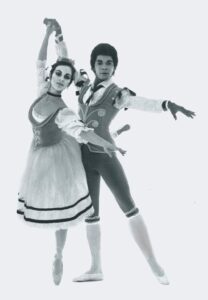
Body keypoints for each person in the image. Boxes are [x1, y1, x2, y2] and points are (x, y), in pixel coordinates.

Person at [51, 19, 195, 285]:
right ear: (93, 65)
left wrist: (166, 104)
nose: (104, 67)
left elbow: (141, 103)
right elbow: (67, 64)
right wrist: (58, 36)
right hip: (83, 157)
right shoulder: (84, 87)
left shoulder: (119, 93)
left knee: (128, 205)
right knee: (90, 213)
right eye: (100, 63)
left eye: (109, 63)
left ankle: (154, 263)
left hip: (106, 156)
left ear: (114, 66)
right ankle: (96, 267)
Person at [16, 21, 124, 286]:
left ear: (67, 83)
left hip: (61, 154)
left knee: (62, 204)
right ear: (52, 75)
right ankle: (58, 253)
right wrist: (49, 33)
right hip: (39, 153)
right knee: (46, 203)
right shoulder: (41, 89)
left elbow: (82, 132)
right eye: (59, 74)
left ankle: (59, 254)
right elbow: (40, 60)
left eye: (67, 77)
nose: (62, 79)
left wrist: (108, 144)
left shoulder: (64, 111)